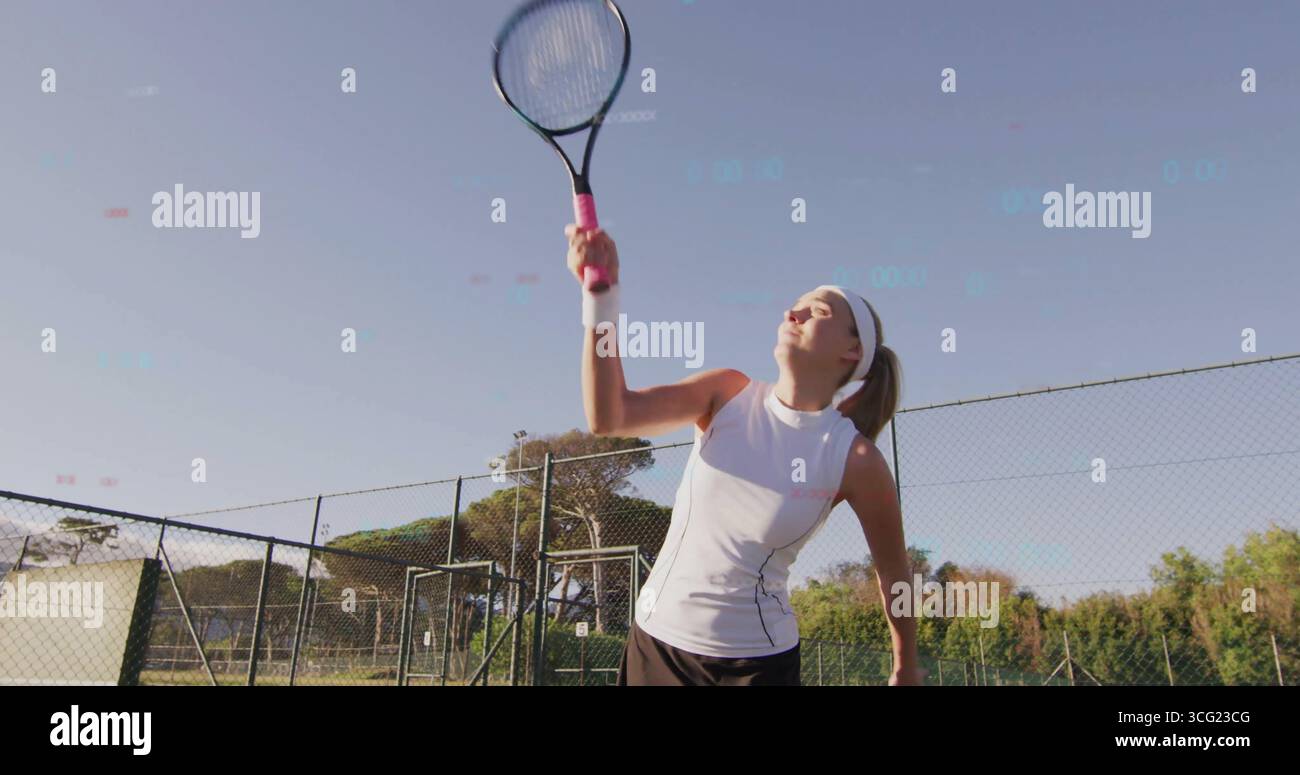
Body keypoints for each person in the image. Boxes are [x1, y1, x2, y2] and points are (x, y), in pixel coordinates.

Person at [565, 224, 925, 686]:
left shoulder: (853, 457)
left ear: (852, 350)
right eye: (794, 305)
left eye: (814, 310)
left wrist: (905, 665)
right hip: (656, 648)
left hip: (758, 669)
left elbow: (895, 571)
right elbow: (609, 415)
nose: (791, 313)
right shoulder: (725, 393)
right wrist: (600, 300)